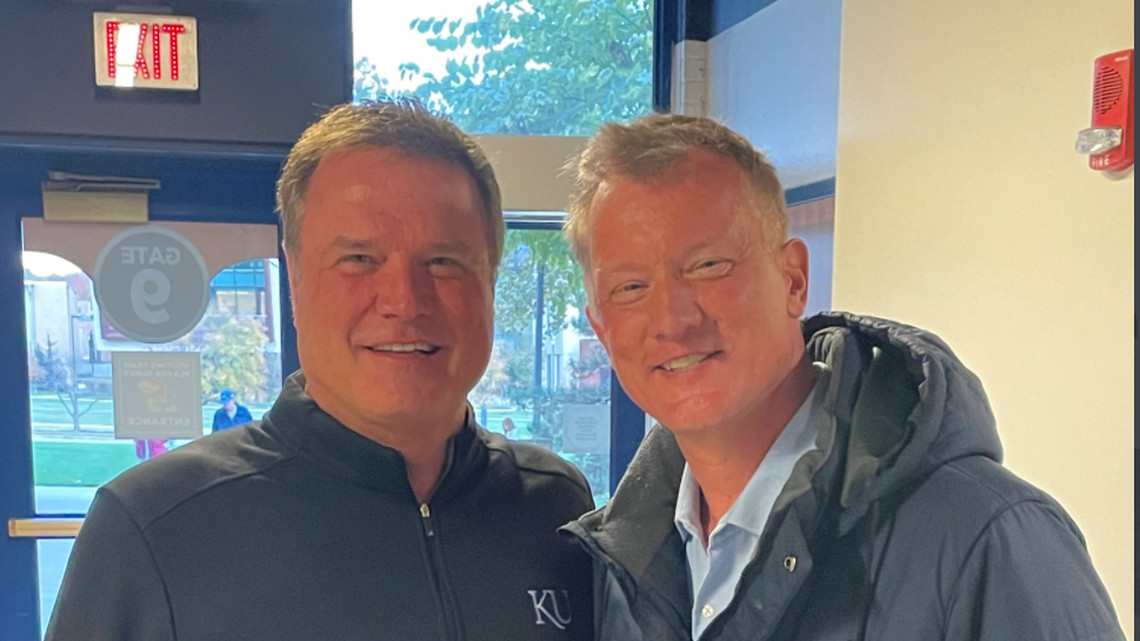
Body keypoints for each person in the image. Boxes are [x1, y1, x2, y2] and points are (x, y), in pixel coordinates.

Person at [559, 114, 1125, 641]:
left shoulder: (986, 539)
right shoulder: (625, 564)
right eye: (630, 288)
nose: (673, 319)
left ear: (794, 281)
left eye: (709, 266)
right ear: (602, 330)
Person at [46, 100, 594, 641]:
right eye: (359, 259)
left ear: (490, 280)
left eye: (444, 262)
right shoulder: (154, 528)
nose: (404, 300)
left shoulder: (554, 506)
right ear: (296, 277)